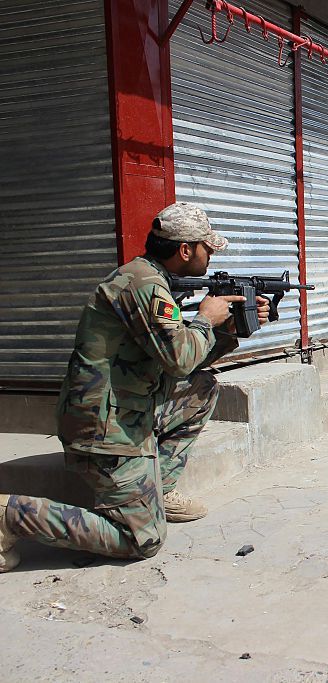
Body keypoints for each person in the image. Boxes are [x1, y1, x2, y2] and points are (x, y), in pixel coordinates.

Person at [0, 202, 270, 571]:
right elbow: (179, 358)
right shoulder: (144, 284)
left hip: (129, 409)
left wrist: (227, 329)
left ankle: (156, 491)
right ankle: (9, 514)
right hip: (103, 427)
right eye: (207, 248)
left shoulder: (152, 280)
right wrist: (206, 320)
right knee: (141, 540)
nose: (210, 256)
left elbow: (185, 365)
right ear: (186, 250)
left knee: (202, 389)